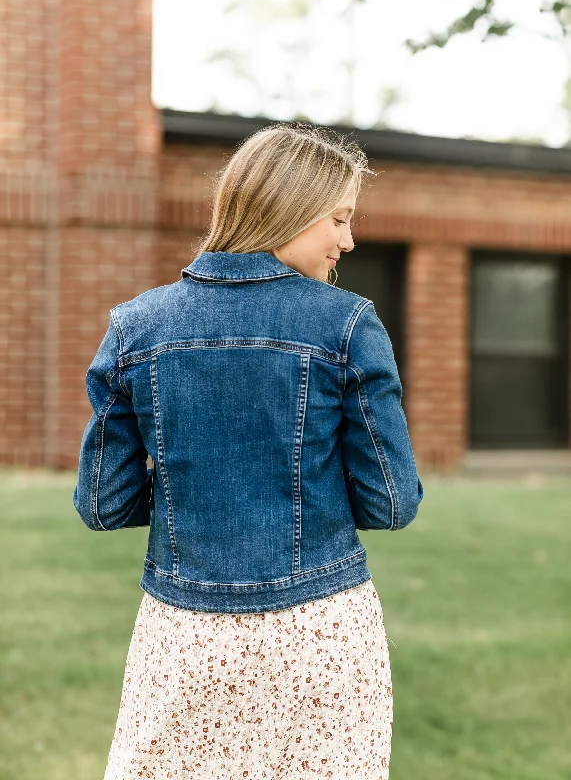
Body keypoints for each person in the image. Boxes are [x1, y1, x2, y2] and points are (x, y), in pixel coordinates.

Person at [73, 121, 424, 779]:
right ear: (289, 208)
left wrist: (192, 490)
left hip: (183, 636)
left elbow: (103, 504)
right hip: (320, 632)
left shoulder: (134, 326)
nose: (348, 240)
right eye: (338, 219)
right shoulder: (347, 323)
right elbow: (390, 501)